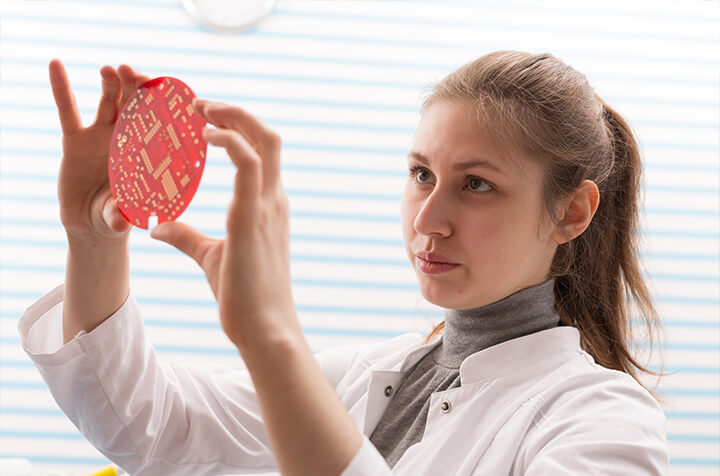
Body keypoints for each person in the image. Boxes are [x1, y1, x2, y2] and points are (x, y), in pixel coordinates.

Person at [18, 51, 668, 475]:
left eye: (476, 184)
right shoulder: (362, 377)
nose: (427, 219)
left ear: (573, 213)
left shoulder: (603, 421)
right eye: (421, 174)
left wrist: (271, 338)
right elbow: (151, 427)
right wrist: (93, 238)